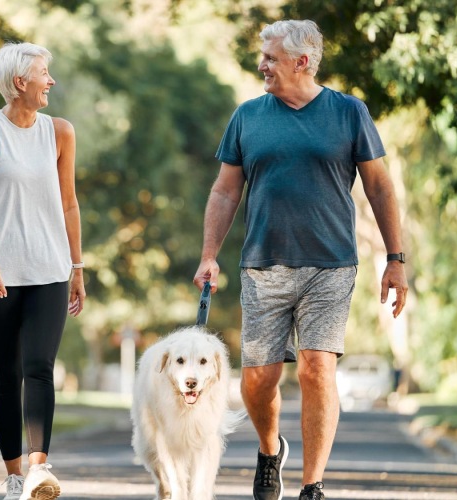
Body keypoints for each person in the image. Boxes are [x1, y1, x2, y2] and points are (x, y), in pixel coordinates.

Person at [193, 19, 408, 500]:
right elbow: (226, 193)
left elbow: (378, 186)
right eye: (263, 56)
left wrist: (395, 258)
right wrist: (209, 255)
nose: (261, 64)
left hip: (330, 264)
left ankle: (313, 485)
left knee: (316, 367)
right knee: (258, 379)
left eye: (270, 57)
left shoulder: (348, 112)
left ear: (301, 62)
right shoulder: (248, 116)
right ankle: (271, 451)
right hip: (263, 263)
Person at [0, 41, 85, 500]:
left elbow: (70, 203)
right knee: (6, 375)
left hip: (49, 269)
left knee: (39, 367)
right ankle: (15, 477)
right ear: (20, 82)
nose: (50, 81)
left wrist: (77, 266)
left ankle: (38, 470)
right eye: (43, 73)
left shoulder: (60, 132)